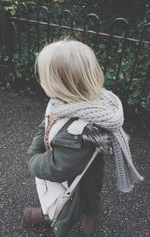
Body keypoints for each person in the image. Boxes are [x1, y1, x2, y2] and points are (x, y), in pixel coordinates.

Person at [24, 39, 143, 237]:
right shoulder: (63, 103)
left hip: (75, 179)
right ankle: (87, 213)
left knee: (71, 202)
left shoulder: (78, 131)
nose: (41, 82)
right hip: (87, 169)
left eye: (44, 78)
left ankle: (55, 218)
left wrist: (34, 160)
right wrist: (38, 141)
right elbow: (48, 122)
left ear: (60, 85)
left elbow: (59, 167)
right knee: (90, 196)